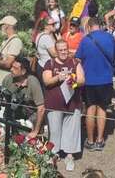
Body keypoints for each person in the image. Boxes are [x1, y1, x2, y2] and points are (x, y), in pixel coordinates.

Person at [75, 17, 115, 151]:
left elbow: (78, 58)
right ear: (100, 25)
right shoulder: (110, 38)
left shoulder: (85, 40)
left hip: (89, 80)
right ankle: (100, 140)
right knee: (102, 109)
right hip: (105, 79)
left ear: (88, 26)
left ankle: (90, 140)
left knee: (90, 109)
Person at [42, 40, 85, 172]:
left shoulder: (75, 63)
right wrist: (58, 78)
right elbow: (47, 81)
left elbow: (82, 80)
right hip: (54, 103)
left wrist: (73, 79)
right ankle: (53, 154)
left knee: (72, 129)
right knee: (54, 130)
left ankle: (69, 155)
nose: (63, 52)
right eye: (60, 50)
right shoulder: (50, 63)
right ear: (56, 50)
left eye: (65, 49)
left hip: (73, 102)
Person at [0, 56, 45, 139]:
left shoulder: (33, 81)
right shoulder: (8, 79)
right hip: (13, 113)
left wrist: (36, 131)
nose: (11, 70)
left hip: (30, 115)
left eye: (15, 68)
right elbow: (2, 99)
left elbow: (41, 108)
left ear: (23, 71)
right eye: (11, 67)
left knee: (28, 136)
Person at [0, 16, 24, 88]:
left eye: (1, 25)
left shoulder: (16, 42)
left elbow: (8, 64)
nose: (0, 28)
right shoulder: (6, 41)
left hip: (7, 84)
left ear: (7, 26)